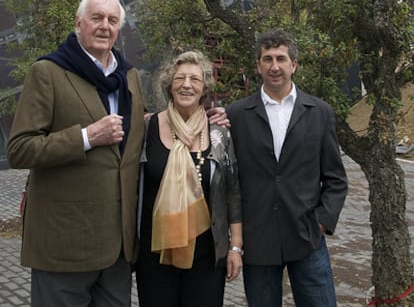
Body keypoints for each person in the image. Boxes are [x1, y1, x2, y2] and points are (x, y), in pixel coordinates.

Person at [7, 0, 146, 306]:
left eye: (112, 20)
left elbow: (139, 130)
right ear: (78, 23)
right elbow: (19, 148)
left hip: (118, 248)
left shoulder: (129, 76)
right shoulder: (48, 72)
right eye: (96, 18)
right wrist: (86, 137)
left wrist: (199, 119)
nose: (104, 26)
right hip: (64, 246)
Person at [226, 28, 348, 307]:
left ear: (294, 65)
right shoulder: (236, 115)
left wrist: (321, 222)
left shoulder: (319, 112)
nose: (274, 66)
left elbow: (336, 178)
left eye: (281, 58)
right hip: (258, 241)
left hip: (307, 238)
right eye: (267, 59)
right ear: (258, 66)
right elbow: (230, 179)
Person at [135, 49, 243, 307]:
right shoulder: (147, 128)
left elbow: (232, 191)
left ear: (204, 88)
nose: (186, 85)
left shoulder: (218, 133)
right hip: (155, 254)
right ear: (169, 85)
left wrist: (235, 247)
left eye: (194, 79)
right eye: (179, 78)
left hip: (206, 256)